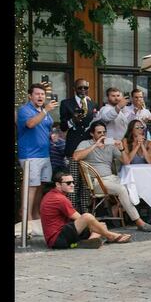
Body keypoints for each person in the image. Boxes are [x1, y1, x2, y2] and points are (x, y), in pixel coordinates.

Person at [72, 122, 151, 232]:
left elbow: (126, 162)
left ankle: (125, 212)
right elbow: (76, 157)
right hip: (96, 181)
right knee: (121, 189)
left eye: (104, 132)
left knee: (133, 184)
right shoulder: (85, 143)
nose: (102, 135)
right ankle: (138, 221)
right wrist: (95, 145)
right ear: (92, 134)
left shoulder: (110, 145)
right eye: (99, 132)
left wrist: (121, 149)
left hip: (111, 178)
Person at [40, 171, 132, 249]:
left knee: (101, 225)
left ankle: (90, 241)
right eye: (68, 183)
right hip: (57, 239)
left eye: (73, 182)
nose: (72, 185)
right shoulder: (59, 198)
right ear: (58, 184)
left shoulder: (53, 195)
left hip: (60, 235)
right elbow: (83, 219)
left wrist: (96, 227)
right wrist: (96, 227)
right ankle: (111, 236)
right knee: (88, 217)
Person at [17, 83, 58, 221]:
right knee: (31, 186)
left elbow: (47, 127)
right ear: (30, 96)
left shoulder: (43, 111)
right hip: (30, 155)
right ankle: (26, 218)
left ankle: (35, 216)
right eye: (37, 94)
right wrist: (45, 110)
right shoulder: (25, 110)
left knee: (41, 185)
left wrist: (52, 135)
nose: (41, 96)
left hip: (44, 154)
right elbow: (30, 124)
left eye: (42, 94)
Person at [60, 79, 97, 214]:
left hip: (87, 148)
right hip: (73, 148)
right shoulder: (66, 103)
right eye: (80, 88)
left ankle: (86, 214)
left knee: (87, 184)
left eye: (85, 88)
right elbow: (63, 127)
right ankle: (72, 214)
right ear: (74, 88)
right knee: (73, 183)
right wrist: (72, 121)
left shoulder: (92, 103)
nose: (83, 90)